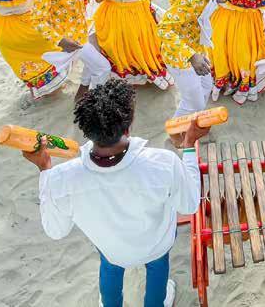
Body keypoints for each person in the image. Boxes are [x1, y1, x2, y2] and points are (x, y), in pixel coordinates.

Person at [23, 79, 209, 307]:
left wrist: (45, 171)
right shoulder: (163, 163)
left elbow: (56, 231)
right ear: (128, 127)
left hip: (111, 249)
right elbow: (189, 204)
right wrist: (189, 147)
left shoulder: (61, 177)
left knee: (110, 267)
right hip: (156, 244)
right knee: (158, 268)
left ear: (87, 130)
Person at [158, 0, 243, 120]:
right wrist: (191, 56)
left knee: (206, 87)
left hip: (197, 46)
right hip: (180, 56)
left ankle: (194, 124)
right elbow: (164, 29)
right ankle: (175, 131)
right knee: (192, 104)